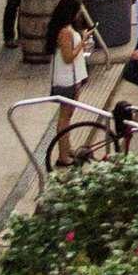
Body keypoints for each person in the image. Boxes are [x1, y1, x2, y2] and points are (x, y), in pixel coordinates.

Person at [39, 15, 98, 165]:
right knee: (64, 118)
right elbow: (68, 57)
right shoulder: (65, 32)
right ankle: (62, 155)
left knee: (68, 115)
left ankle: (67, 148)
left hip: (74, 76)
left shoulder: (69, 28)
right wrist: (82, 42)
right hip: (66, 80)